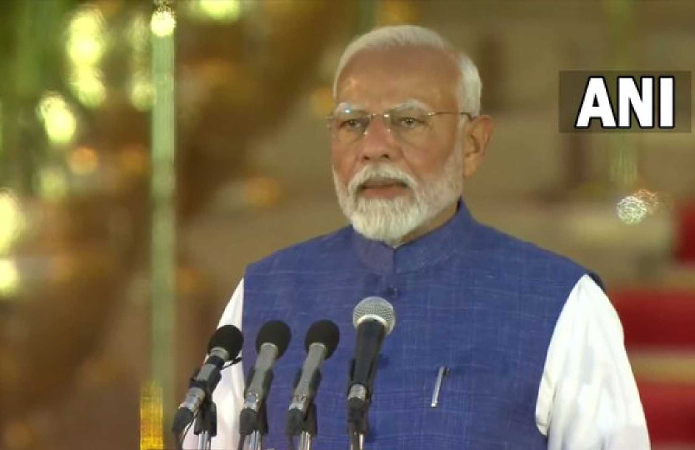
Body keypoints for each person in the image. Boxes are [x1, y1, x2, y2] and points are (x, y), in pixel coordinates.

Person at [183, 25, 650, 450]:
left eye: (408, 121)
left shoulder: (560, 303)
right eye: (352, 123)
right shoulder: (267, 294)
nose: (375, 147)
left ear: (473, 144)